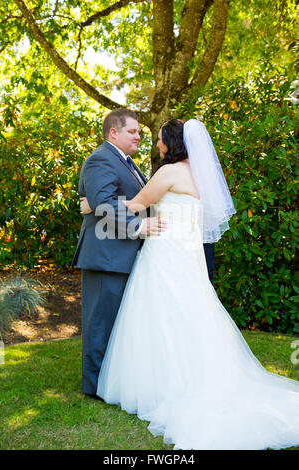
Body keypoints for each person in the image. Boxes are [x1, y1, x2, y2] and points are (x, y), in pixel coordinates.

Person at [84, 117, 299, 450]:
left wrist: (90, 205)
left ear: (171, 142)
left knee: (160, 317)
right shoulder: (200, 173)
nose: (155, 144)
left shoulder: (169, 172)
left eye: (158, 139)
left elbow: (138, 204)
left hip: (165, 255)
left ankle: (165, 383)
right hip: (188, 256)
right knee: (192, 315)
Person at [71, 108, 167, 399]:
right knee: (100, 323)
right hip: (106, 256)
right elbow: (104, 204)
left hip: (121, 254)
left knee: (116, 323)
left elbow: (123, 200)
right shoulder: (101, 159)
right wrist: (139, 225)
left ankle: (112, 381)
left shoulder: (127, 163)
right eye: (132, 131)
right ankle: (96, 386)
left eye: (138, 132)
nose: (139, 136)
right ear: (114, 132)